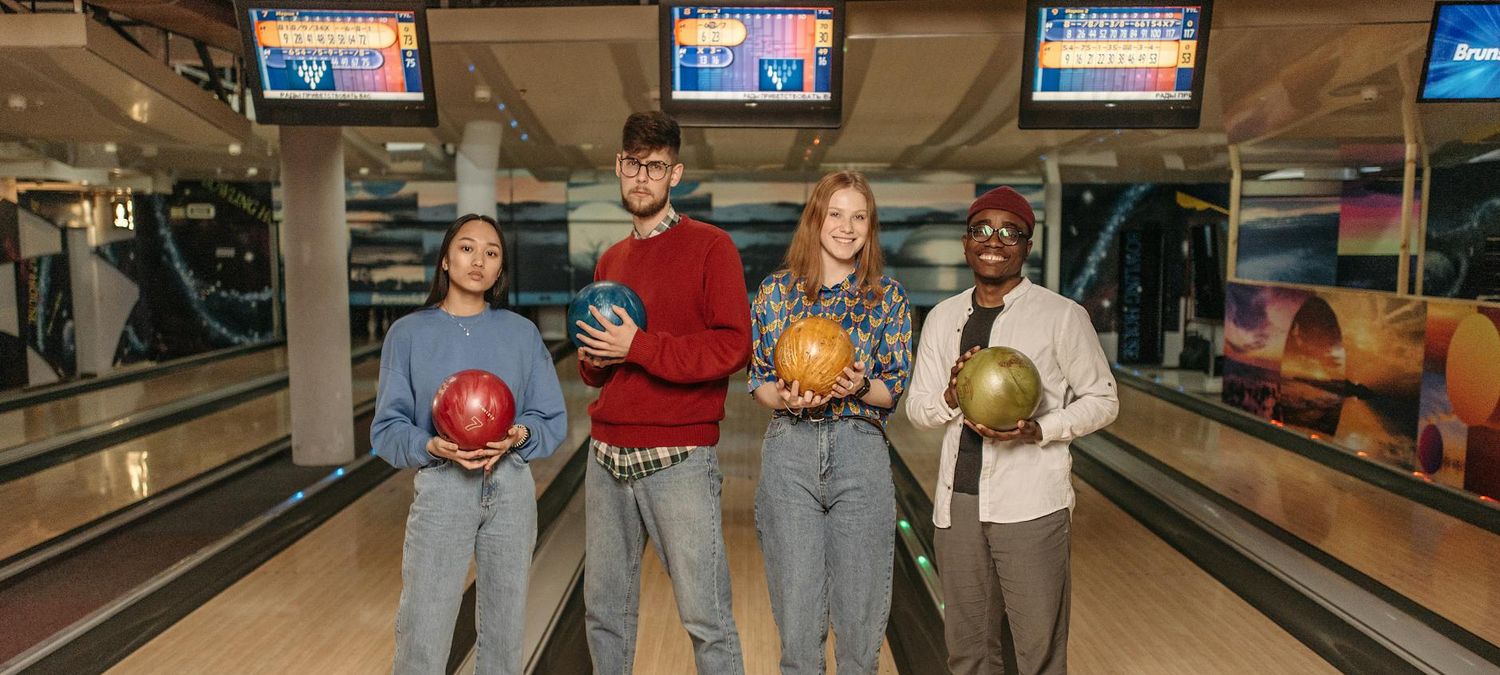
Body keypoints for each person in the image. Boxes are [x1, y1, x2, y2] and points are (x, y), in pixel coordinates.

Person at [904, 187, 1118, 675]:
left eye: (1009, 232)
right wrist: (951, 396)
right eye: (982, 230)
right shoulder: (941, 318)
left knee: (1037, 650)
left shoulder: (1062, 316)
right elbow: (919, 410)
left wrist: (1040, 428)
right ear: (966, 243)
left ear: (1027, 245)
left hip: (1032, 505)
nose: (993, 241)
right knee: (968, 651)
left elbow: (1103, 400)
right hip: (957, 505)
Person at [573, 111, 750, 675]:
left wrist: (639, 347)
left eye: (655, 167)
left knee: (706, 618)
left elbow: (732, 347)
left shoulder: (711, 247)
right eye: (632, 165)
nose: (641, 177)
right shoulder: (612, 259)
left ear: (676, 173)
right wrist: (596, 359)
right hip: (605, 456)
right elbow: (602, 371)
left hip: (677, 459)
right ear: (617, 168)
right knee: (604, 613)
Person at [371, 213, 568, 675]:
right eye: (466, 247)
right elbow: (387, 430)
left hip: (511, 488)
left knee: (504, 632)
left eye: (492, 252)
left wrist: (516, 436)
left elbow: (549, 419)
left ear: (500, 270)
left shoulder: (522, 334)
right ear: (445, 259)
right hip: (443, 487)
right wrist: (432, 446)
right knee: (425, 625)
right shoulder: (409, 334)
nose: (478, 259)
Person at [747, 170, 912, 674]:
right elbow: (760, 382)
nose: (846, 227)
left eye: (858, 216)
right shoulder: (776, 292)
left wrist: (861, 387)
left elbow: (893, 388)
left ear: (870, 226)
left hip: (860, 450)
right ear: (816, 219)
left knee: (861, 633)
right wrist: (789, 398)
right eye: (835, 214)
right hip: (790, 450)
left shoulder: (888, 296)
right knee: (798, 631)